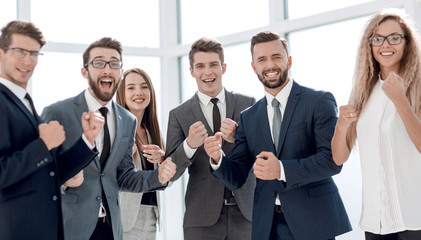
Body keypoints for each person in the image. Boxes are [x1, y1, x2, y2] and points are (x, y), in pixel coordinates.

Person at [204, 31, 352, 240]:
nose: (270, 65)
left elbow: (331, 161)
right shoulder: (248, 117)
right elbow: (237, 177)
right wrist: (218, 158)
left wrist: (282, 170)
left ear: (289, 61)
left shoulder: (319, 101)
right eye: (262, 59)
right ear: (254, 66)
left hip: (313, 222)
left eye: (276, 57)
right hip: (268, 226)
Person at [0, 20, 103, 240]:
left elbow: (49, 174)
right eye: (19, 51)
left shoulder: (25, 103)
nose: (27, 61)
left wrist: (87, 139)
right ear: (0, 53)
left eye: (34, 54)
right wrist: (43, 145)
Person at [41, 37, 177, 240]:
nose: (107, 69)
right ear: (84, 71)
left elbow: (123, 176)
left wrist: (159, 177)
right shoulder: (58, 113)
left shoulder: (127, 120)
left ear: (121, 72)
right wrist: (64, 180)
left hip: (111, 229)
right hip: (70, 228)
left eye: (114, 63)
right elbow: (38, 174)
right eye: (98, 62)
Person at [331, 10, 421, 240]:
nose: (385, 44)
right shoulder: (363, 93)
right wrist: (341, 125)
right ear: (369, 46)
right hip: (376, 221)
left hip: (414, 216)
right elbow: (339, 158)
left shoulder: (417, 87)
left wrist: (400, 100)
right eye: (377, 38)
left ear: (407, 42)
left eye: (394, 37)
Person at [165, 37, 256, 240]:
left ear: (223, 67)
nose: (207, 72)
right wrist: (188, 145)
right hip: (201, 220)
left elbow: (263, 152)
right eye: (200, 66)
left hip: (247, 216)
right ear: (192, 71)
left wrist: (239, 135)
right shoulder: (178, 115)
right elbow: (169, 173)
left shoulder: (248, 104)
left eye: (213, 64)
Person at [116, 68, 165, 239]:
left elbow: (167, 181)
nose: (138, 92)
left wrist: (163, 160)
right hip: (124, 218)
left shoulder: (154, 133)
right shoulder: (116, 130)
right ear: (122, 93)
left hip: (151, 216)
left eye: (144, 87)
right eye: (130, 88)